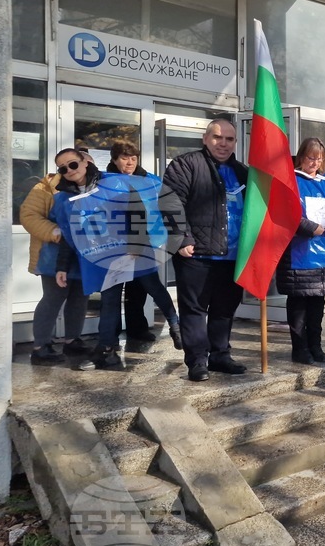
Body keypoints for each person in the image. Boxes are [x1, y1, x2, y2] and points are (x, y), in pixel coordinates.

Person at [53, 148, 183, 371]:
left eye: (73, 164)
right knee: (109, 301)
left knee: (152, 285)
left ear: (85, 163)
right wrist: (62, 266)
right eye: (63, 168)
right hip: (104, 256)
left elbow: (137, 211)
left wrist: (136, 246)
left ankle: (175, 324)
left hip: (133, 249)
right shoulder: (64, 198)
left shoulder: (114, 182)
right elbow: (69, 232)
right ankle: (106, 350)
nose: (69, 170)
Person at [162, 119, 249, 382]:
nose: (223, 143)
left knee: (224, 309)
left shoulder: (243, 171)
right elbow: (170, 202)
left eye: (229, 139)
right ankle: (198, 361)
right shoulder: (185, 164)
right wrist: (182, 237)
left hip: (233, 256)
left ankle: (220, 355)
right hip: (196, 253)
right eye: (217, 138)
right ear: (205, 138)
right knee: (195, 310)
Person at [106, 141, 183, 351]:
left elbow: (167, 205)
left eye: (133, 158)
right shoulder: (106, 181)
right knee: (115, 291)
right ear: (114, 159)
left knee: (142, 288)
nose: (129, 162)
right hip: (116, 244)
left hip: (147, 239)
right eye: (124, 158)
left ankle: (137, 328)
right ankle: (110, 339)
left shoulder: (151, 180)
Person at [276, 138, 325, 365]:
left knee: (318, 304)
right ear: (300, 157)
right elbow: (283, 213)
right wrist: (309, 227)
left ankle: (316, 345)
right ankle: (299, 347)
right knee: (298, 304)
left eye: (319, 158)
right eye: (310, 157)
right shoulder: (290, 180)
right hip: (299, 253)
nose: (314, 162)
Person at [19, 167, 88, 365]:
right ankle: (40, 346)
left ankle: (72, 340)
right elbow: (29, 215)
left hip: (81, 253)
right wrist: (57, 232)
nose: (74, 170)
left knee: (79, 297)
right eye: (68, 165)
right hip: (52, 254)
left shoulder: (90, 188)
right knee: (53, 297)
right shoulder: (45, 187)